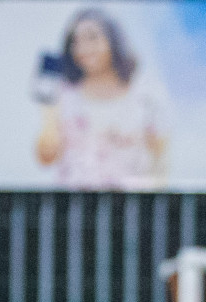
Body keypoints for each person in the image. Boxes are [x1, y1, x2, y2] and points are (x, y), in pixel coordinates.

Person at [34, 8, 168, 189]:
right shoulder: (65, 94)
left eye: (92, 38)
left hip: (131, 205)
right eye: (76, 41)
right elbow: (46, 157)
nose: (83, 49)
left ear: (113, 40)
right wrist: (49, 114)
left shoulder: (144, 95)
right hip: (76, 205)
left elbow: (161, 156)